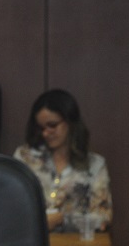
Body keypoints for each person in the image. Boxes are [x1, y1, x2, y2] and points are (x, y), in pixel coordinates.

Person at [13, 89, 112, 232]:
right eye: (41, 128)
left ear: (70, 122)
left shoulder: (94, 165)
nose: (45, 133)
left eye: (52, 125)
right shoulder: (25, 158)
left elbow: (103, 217)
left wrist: (61, 219)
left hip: (76, 243)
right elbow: (12, 208)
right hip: (30, 242)